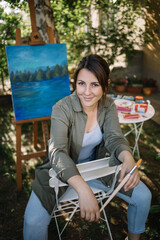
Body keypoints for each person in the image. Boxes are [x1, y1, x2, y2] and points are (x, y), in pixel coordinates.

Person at [23, 54, 151, 240]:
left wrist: (128, 158)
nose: (87, 92)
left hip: (96, 166)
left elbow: (115, 137)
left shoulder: (109, 106)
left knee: (143, 196)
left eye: (95, 84)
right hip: (60, 169)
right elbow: (57, 151)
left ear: (105, 85)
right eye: (81, 83)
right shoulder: (61, 108)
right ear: (75, 83)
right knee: (32, 222)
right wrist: (83, 189)